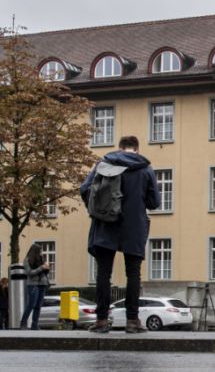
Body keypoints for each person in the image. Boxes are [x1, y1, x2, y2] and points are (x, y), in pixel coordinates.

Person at [80, 135, 160, 334]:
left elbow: (85, 189)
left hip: (106, 224)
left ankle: (101, 321)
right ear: (137, 149)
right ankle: (132, 321)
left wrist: (98, 209)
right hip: (133, 226)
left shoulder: (104, 163)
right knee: (133, 273)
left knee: (103, 274)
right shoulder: (145, 169)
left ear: (120, 148)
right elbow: (154, 202)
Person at [19, 244, 51, 330]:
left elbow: (45, 272)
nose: (42, 252)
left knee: (38, 306)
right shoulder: (27, 260)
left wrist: (47, 268)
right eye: (40, 251)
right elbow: (29, 273)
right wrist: (41, 267)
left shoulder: (41, 260)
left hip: (42, 284)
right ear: (35, 251)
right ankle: (23, 323)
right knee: (31, 305)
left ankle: (34, 324)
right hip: (33, 284)